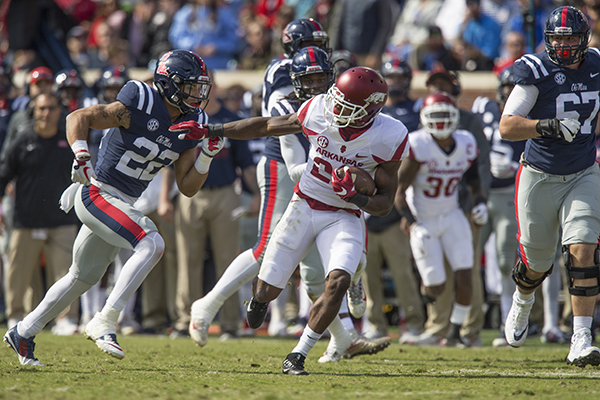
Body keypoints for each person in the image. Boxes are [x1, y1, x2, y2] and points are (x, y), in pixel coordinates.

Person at [171, 66, 408, 375]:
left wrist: (358, 197)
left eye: (346, 107)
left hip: (343, 215)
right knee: (266, 292)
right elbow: (268, 125)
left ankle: (298, 354)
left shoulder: (390, 136)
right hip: (304, 205)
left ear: (369, 110)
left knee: (336, 281)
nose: (335, 109)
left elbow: (385, 204)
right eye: (336, 100)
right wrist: (215, 130)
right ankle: (259, 300)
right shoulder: (318, 108)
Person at [3, 49, 220, 366]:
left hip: (122, 202)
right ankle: (105, 320)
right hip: (98, 192)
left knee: (81, 276)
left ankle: (23, 332)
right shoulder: (140, 99)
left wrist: (205, 157)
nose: (195, 94)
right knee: (151, 242)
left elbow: (187, 188)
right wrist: (80, 154)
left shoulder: (192, 122)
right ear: (169, 83)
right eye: (189, 86)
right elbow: (78, 117)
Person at [499, 6, 600, 367]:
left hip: (584, 171)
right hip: (539, 174)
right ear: (548, 40)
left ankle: (581, 338)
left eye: (571, 37)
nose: (565, 44)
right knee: (537, 262)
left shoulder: (597, 64)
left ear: (583, 38)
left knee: (584, 252)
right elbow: (508, 127)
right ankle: (523, 301)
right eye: (558, 38)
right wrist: (548, 126)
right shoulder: (536, 71)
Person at [170, 74, 258, 340]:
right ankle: (185, 320)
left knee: (227, 259)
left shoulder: (231, 117)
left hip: (225, 193)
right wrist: (165, 198)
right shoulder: (184, 116)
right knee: (188, 259)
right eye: (194, 86)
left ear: (214, 87)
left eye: (203, 86)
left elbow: (246, 162)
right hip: (189, 194)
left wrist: (257, 193)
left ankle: (230, 323)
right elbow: (168, 161)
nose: (198, 91)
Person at [397, 92, 487, 347]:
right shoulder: (418, 144)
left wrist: (479, 203)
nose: (440, 123)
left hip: (451, 214)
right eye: (434, 117)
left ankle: (456, 332)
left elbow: (473, 182)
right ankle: (429, 302)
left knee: (466, 273)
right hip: (423, 219)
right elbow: (399, 192)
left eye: (444, 116)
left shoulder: (466, 142)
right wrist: (411, 221)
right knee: (435, 285)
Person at [0, 93, 80, 334]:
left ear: (59, 111)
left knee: (67, 272)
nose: (46, 113)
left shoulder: (69, 141)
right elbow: (3, 175)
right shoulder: (23, 139)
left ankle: (66, 319)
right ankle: (15, 316)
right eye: (41, 108)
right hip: (26, 219)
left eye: (51, 108)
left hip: (62, 219)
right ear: (34, 110)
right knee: (18, 273)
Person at [361, 57, 425, 341]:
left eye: (400, 77)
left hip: (398, 197)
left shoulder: (417, 110)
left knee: (402, 271)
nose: (396, 83)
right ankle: (375, 323)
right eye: (391, 78)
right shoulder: (368, 112)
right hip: (366, 198)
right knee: (367, 272)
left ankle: (413, 321)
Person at [471, 66, 525, 347]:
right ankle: (470, 329)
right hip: (481, 193)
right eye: (507, 87)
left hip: (507, 195)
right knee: (468, 259)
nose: (510, 93)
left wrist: (514, 167)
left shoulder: (530, 112)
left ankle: (509, 322)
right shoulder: (483, 107)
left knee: (507, 263)